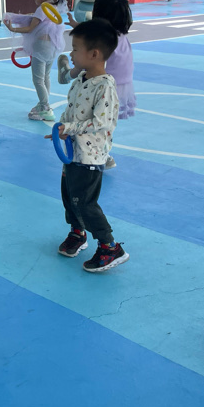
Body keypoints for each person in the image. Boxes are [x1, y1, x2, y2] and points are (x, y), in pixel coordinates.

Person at [50, 19, 128, 272]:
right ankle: (78, 232)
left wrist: (69, 128)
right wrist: (61, 128)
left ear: (94, 54)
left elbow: (100, 123)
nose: (71, 54)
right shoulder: (80, 81)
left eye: (75, 49)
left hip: (90, 156)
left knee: (85, 202)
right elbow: (72, 110)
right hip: (73, 153)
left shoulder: (105, 87)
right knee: (69, 196)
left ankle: (110, 247)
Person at [60, 0, 135, 168]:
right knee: (107, 122)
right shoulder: (117, 36)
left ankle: (100, 153)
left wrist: (74, 72)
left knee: (92, 118)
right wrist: (78, 26)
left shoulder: (103, 43)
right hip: (123, 84)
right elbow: (95, 36)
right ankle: (103, 151)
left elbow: (92, 58)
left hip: (103, 86)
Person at [3, 0, 67, 122]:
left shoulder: (42, 8)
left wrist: (12, 28)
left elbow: (30, 28)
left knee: (38, 79)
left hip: (41, 47)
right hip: (53, 46)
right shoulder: (54, 7)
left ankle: (45, 107)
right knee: (46, 77)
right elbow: (37, 20)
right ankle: (43, 103)